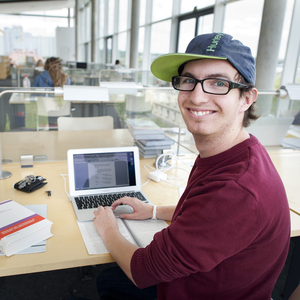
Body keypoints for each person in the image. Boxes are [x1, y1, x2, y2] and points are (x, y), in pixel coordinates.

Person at [92, 33, 291, 300]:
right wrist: (153, 211)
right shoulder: (238, 152)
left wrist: (107, 228)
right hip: (197, 282)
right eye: (189, 81)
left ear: (246, 98)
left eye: (218, 83)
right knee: (109, 279)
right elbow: (207, 215)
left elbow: (142, 270)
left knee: (111, 281)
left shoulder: (236, 188)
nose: (196, 97)